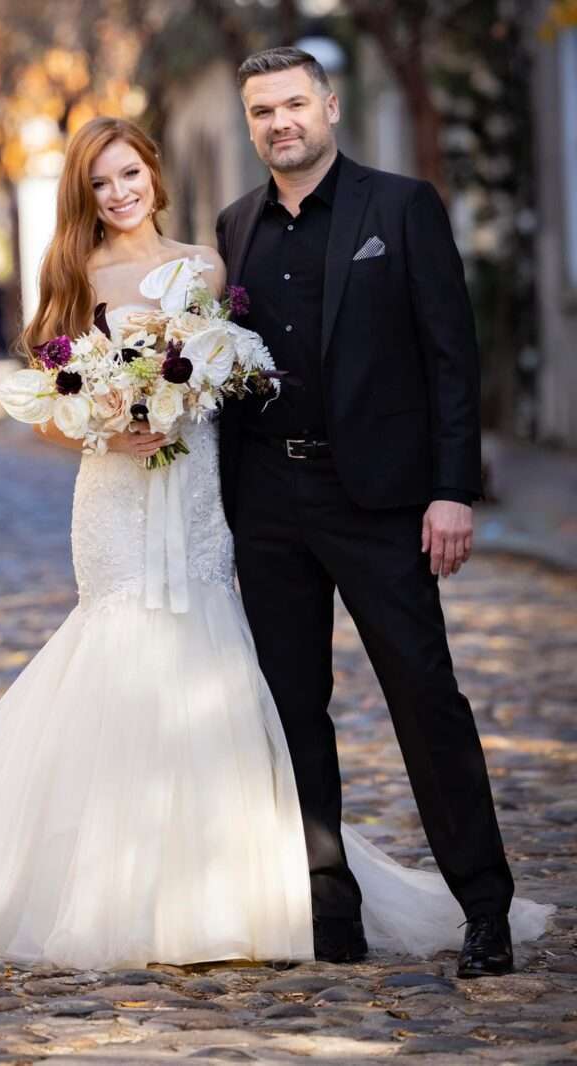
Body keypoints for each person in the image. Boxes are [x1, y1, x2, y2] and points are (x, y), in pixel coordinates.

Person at [0, 117, 549, 986]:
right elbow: (47, 399)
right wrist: (102, 425)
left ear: (154, 174)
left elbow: (241, 376)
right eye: (99, 183)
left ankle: (267, 891)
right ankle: (123, 888)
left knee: (224, 668)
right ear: (84, 196)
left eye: (129, 174)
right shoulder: (72, 273)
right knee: (133, 659)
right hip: (118, 496)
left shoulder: (210, 261)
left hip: (201, 492)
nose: (118, 193)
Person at [215, 46, 540, 978]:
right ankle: (331, 914)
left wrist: (452, 487)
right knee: (294, 713)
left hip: (383, 502)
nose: (280, 123)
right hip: (269, 502)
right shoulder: (235, 227)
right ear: (250, 126)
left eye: (293, 105)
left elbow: (451, 353)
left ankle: (485, 908)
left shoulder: (399, 207)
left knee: (425, 699)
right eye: (261, 112)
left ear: (329, 108)